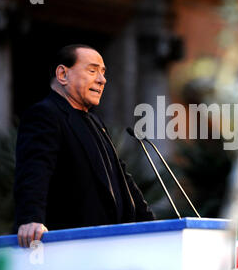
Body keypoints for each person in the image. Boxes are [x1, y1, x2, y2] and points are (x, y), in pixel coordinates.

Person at [14, 44, 155, 248]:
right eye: (92, 70)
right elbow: (35, 170)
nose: (102, 79)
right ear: (63, 74)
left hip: (112, 246)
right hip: (69, 248)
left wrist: (154, 226)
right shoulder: (45, 114)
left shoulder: (95, 123)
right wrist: (30, 218)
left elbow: (123, 180)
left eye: (103, 72)